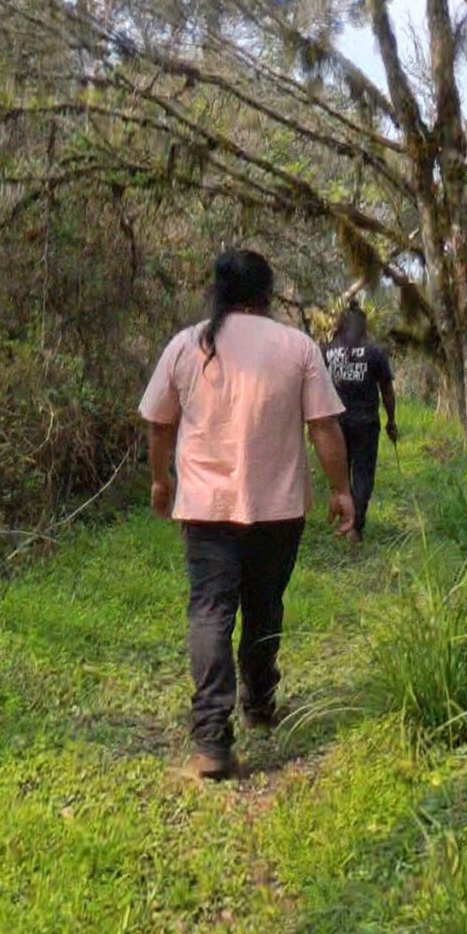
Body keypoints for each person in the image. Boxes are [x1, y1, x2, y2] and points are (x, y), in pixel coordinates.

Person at [139, 249, 352, 781]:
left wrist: (161, 479)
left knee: (210, 612)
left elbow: (159, 424)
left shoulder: (188, 345)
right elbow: (324, 427)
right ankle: (258, 700)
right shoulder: (296, 346)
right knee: (263, 607)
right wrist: (342, 490)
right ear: (267, 293)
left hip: (207, 508)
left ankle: (212, 740)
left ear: (218, 291)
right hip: (278, 509)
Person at [323, 305, 397, 542]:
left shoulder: (327, 352)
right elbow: (387, 389)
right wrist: (391, 421)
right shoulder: (374, 352)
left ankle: (345, 519)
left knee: (340, 474)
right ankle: (356, 527)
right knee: (363, 476)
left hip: (336, 423)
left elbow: (318, 388)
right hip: (366, 423)